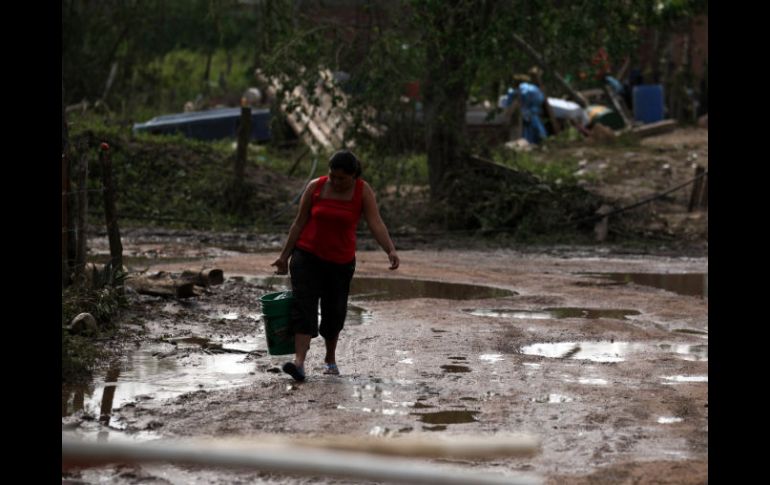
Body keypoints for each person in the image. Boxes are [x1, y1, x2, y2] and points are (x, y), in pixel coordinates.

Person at [271, 149, 400, 382]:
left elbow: (375, 222)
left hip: (340, 262)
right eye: (333, 176)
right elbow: (299, 223)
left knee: (335, 311)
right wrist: (284, 256)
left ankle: (330, 359)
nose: (336, 182)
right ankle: (299, 363)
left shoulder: (363, 191)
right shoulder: (315, 187)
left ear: (354, 176)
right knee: (304, 307)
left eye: (342, 178)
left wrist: (390, 249)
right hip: (307, 256)